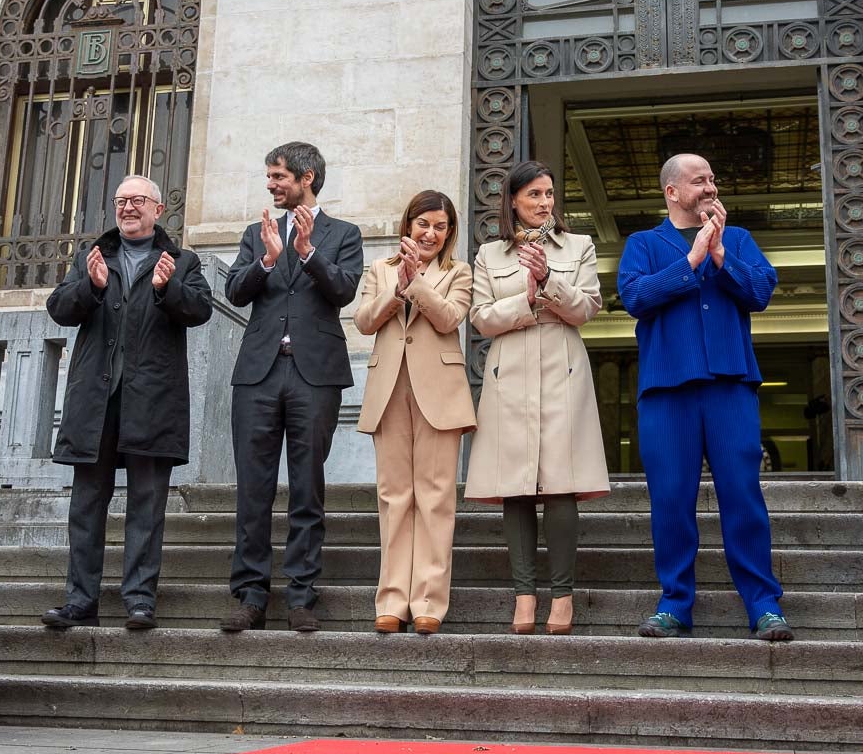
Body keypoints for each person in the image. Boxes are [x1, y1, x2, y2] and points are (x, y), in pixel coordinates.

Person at [618, 153, 791, 642]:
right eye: (700, 181)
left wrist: (718, 255)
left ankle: (763, 603)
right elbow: (636, 298)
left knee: (743, 495)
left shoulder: (737, 240)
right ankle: (675, 603)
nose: (710, 188)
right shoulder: (642, 244)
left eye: (713, 179)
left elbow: (760, 291)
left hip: (730, 387)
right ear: (672, 192)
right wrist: (693, 258)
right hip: (667, 390)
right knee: (671, 500)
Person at [41, 175, 214, 630]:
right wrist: (92, 286)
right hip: (96, 400)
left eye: (138, 200)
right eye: (121, 201)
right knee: (86, 504)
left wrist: (165, 288)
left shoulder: (181, 260)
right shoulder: (92, 257)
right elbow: (59, 308)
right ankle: (81, 600)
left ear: (159, 209)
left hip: (152, 400)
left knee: (146, 505)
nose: (128, 208)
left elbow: (199, 311)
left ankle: (139, 600)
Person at [220, 143, 363, 634]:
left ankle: (302, 595)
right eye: (269, 176)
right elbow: (234, 291)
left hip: (314, 375)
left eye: (279, 176)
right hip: (258, 374)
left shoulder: (344, 234)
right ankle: (251, 595)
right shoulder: (254, 234)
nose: (271, 184)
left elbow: (344, 290)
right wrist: (266, 261)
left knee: (307, 488)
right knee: (252, 491)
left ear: (307, 177)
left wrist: (307, 253)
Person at [466, 160, 609, 635]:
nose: (544, 202)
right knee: (516, 484)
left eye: (549, 194)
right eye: (534, 195)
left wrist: (549, 280)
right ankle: (524, 595)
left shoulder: (579, 245)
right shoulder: (489, 254)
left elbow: (588, 307)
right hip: (511, 369)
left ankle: (562, 597)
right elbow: (481, 318)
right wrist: (524, 301)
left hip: (563, 365)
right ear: (512, 201)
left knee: (561, 480)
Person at [353, 190, 476, 636]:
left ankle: (428, 601)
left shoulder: (459, 272)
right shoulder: (379, 269)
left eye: (439, 227)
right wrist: (396, 286)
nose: (430, 233)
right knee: (393, 497)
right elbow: (364, 321)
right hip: (389, 389)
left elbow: (448, 319)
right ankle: (391, 599)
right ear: (408, 225)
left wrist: (417, 282)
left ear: (448, 233)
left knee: (436, 499)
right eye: (423, 223)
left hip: (440, 393)